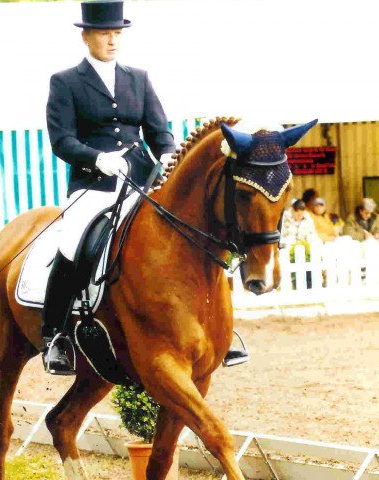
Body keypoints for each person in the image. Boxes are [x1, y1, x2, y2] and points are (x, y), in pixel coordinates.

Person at [43, 0, 247, 374]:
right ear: (86, 36)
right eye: (105, 32)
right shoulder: (66, 82)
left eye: (117, 33)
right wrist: (96, 158)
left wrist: (168, 154)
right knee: (71, 241)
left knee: (196, 234)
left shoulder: (139, 77)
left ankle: (221, 329)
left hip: (142, 180)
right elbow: (61, 139)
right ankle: (54, 335)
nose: (112, 39)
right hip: (94, 184)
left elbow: (158, 130)